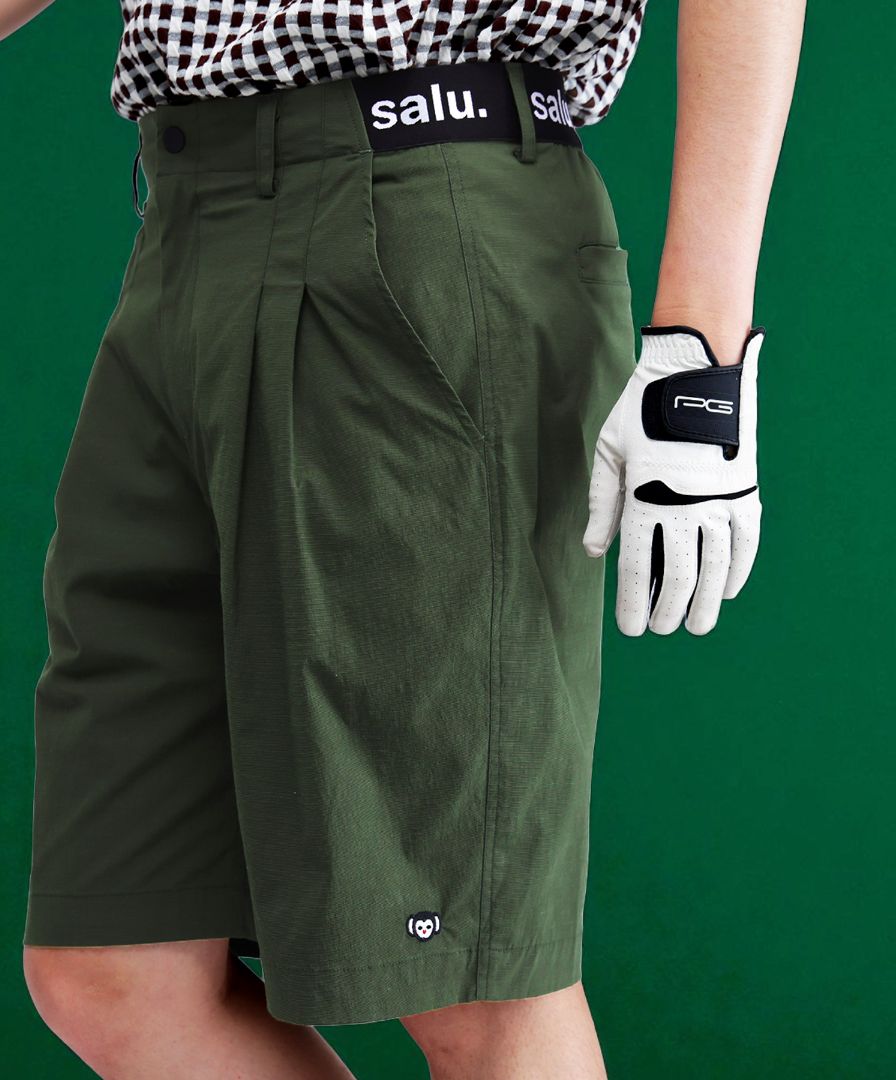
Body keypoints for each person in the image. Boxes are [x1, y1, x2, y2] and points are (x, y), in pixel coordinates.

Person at [6, 1, 805, 1077]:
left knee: (474, 985)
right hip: (187, 223)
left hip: (421, 208)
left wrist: (702, 350)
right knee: (115, 963)